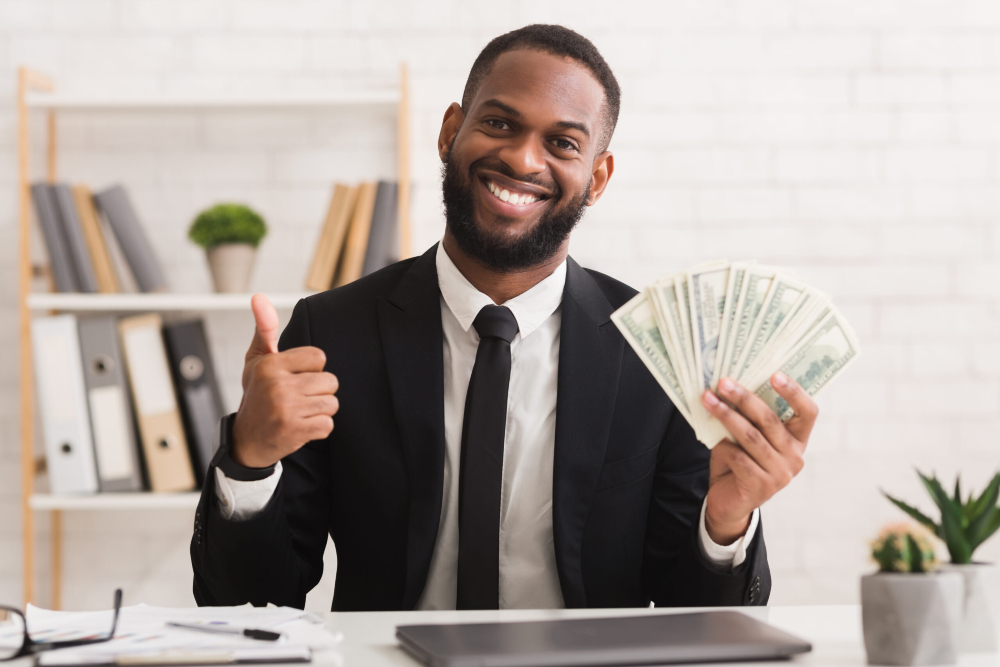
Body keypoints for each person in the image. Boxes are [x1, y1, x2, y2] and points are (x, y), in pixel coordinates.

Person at [191, 24, 817, 611]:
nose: (522, 160)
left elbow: (695, 623)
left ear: (597, 177)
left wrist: (724, 523)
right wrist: (250, 459)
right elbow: (249, 605)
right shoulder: (331, 333)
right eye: (499, 123)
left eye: (562, 143)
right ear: (450, 132)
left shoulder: (657, 352)